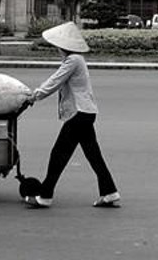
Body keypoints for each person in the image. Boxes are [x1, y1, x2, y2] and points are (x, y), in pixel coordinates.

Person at [28, 21, 120, 209]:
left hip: (79, 114)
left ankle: (45, 196)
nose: (57, 50)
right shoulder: (76, 60)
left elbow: (55, 81)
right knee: (94, 155)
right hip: (86, 113)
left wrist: (35, 96)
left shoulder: (73, 61)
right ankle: (110, 192)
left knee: (58, 155)